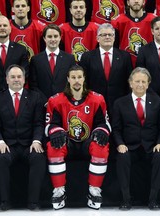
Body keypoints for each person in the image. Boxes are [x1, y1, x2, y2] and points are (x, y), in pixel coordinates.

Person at [45, 65, 111, 210]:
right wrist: (55, 131)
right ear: (68, 79)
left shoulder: (97, 99)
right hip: (68, 142)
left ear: (84, 79)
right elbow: (50, 124)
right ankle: (59, 191)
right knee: (53, 145)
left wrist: (101, 130)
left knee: (101, 146)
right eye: (73, 77)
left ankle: (94, 190)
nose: (76, 81)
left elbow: (104, 123)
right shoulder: (56, 101)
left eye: (79, 77)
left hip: (87, 143)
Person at [0, 64, 46, 211]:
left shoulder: (35, 97)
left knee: (38, 157)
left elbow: (39, 123)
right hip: (8, 145)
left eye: (19, 76)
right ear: (7, 80)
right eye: (13, 77)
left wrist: (36, 141)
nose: (16, 79)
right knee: (0, 158)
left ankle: (33, 202)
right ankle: (5, 201)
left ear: (24, 79)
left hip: (29, 144)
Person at [112, 67, 160, 210]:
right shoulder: (120, 103)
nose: (140, 84)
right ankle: (126, 199)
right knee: (122, 157)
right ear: (130, 83)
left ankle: (153, 199)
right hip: (129, 146)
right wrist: (120, 144)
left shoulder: (157, 102)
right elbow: (116, 129)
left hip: (150, 146)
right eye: (137, 81)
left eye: (144, 81)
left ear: (148, 84)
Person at [79, 23, 133, 114]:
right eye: (103, 35)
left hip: (119, 104)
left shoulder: (125, 56)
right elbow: (84, 82)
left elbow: (129, 81)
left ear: (114, 37)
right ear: (97, 38)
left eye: (110, 35)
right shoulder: (87, 57)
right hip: (95, 104)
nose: (107, 37)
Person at [29, 24, 75, 99]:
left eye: (56, 36)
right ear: (44, 38)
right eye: (49, 36)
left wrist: (62, 100)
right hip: (42, 104)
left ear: (60, 38)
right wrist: (45, 101)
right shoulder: (35, 60)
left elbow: (72, 82)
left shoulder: (69, 59)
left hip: (64, 102)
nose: (53, 39)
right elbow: (33, 85)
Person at [111, 0, 156, 66]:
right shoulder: (118, 21)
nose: (136, 1)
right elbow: (115, 48)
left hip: (149, 64)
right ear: (128, 2)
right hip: (125, 65)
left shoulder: (154, 20)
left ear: (144, 2)